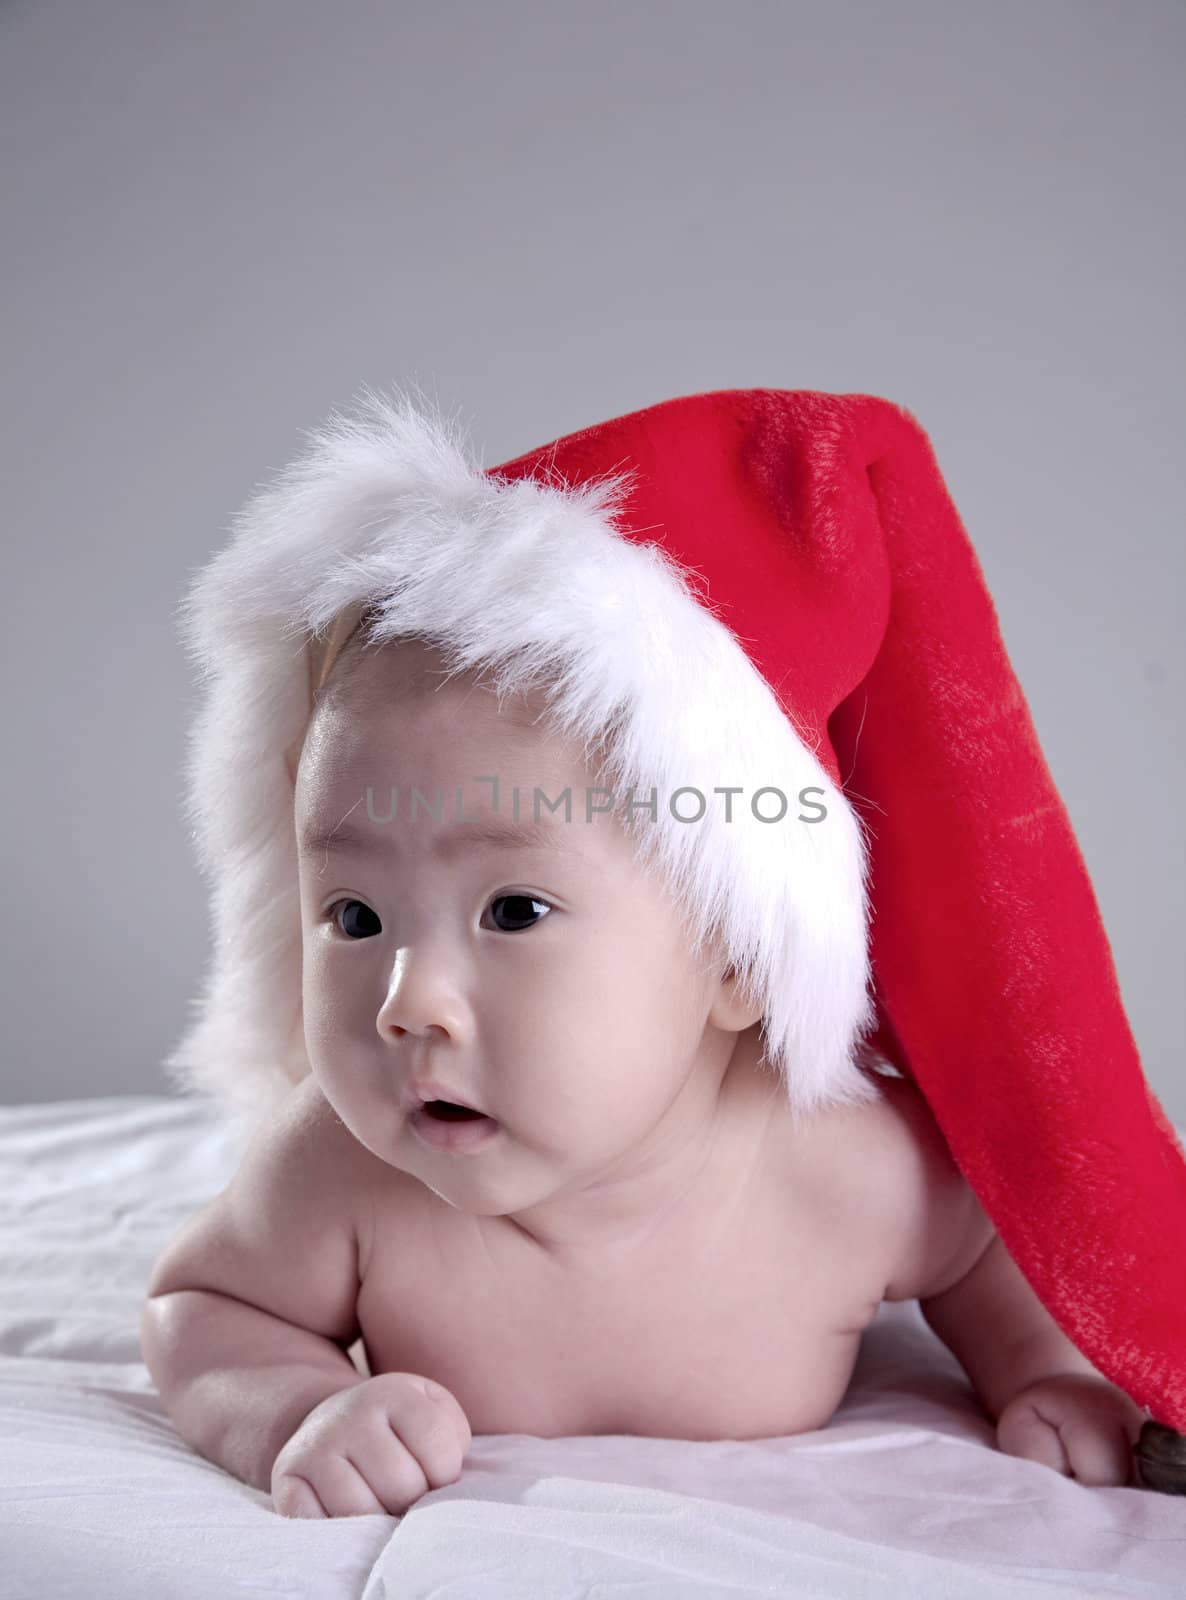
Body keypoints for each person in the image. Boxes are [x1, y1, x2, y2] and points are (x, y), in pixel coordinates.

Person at [139, 387, 1184, 1515]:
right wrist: (295, 1406)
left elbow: (991, 1245)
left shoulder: (841, 1170)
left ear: (738, 956)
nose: (409, 1002)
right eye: (355, 917)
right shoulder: (345, 1179)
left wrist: (1038, 1366)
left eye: (513, 911)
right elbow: (201, 1308)